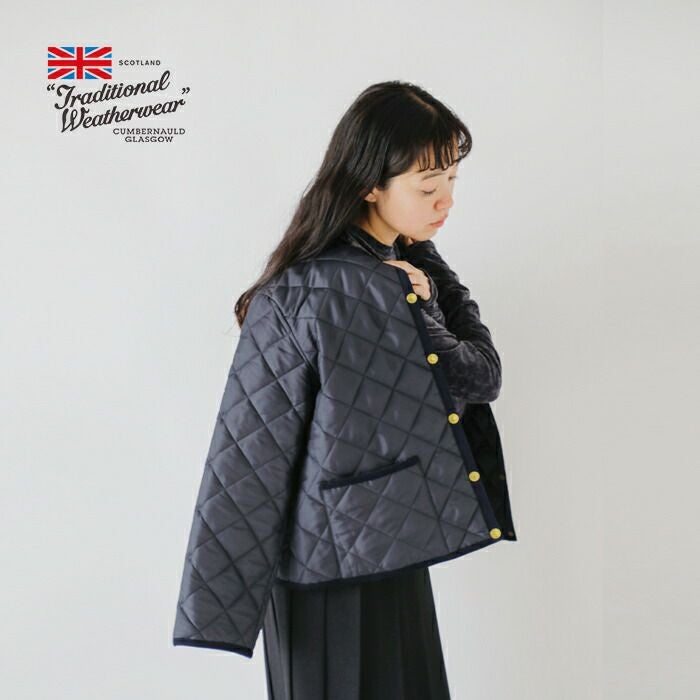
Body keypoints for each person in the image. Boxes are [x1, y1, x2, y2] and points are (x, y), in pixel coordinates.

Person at [173, 79, 517, 700]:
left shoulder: (414, 269)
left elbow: (481, 377)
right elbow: (249, 454)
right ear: (370, 185)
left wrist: (425, 298)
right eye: (428, 186)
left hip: (398, 550)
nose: (446, 200)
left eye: (452, 180)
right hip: (322, 581)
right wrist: (215, 608)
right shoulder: (298, 294)